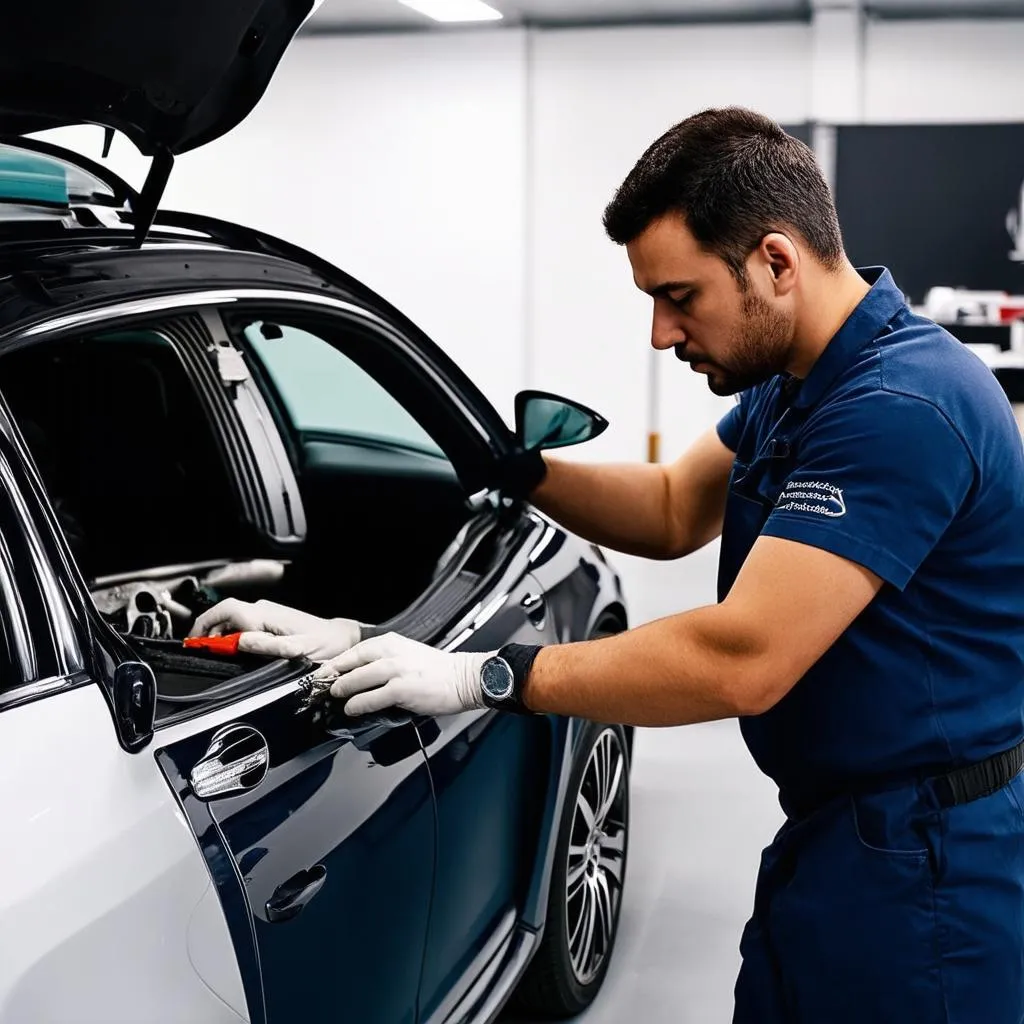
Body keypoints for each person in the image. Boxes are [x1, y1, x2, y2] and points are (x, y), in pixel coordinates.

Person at [192, 107, 1024, 1023]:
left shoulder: (899, 406)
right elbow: (673, 507)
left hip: (934, 866)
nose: (662, 335)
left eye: (680, 295)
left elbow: (740, 659)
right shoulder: (800, 382)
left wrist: (480, 676)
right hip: (843, 837)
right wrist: (518, 468)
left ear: (776, 263)